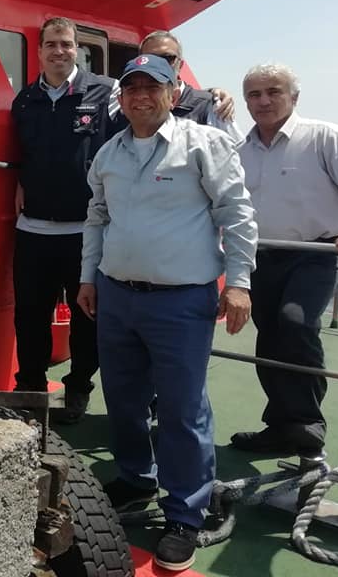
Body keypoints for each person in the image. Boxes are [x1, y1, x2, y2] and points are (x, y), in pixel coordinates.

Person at [77, 54, 256, 572]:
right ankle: (136, 478)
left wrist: (239, 283)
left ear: (173, 94)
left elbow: (237, 214)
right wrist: (88, 278)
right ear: (121, 97)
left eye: (151, 87)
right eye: (131, 87)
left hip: (181, 300)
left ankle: (184, 513)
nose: (140, 96)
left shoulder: (204, 145)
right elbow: (97, 218)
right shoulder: (108, 153)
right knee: (123, 397)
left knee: (182, 408)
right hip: (116, 295)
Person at [232, 63, 338, 455]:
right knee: (268, 336)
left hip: (317, 252)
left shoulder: (325, 138)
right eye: (254, 94)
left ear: (294, 97)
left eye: (273, 91)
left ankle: (307, 423)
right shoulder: (240, 151)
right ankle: (281, 426)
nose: (263, 100)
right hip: (262, 254)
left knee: (295, 322)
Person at [11, 16, 118, 423]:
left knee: (86, 319)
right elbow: (23, 154)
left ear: (78, 49)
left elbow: (155, 107)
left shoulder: (106, 92)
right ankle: (30, 388)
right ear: (39, 51)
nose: (60, 51)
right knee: (29, 315)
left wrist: (210, 98)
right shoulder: (25, 101)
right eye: (52, 44)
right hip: (33, 229)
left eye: (67, 44)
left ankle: (77, 388)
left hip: (84, 230)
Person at [137, 31, 244, 144]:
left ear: (180, 65)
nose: (159, 65)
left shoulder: (210, 106)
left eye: (168, 58)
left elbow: (240, 150)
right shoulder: (131, 107)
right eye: (151, 59)